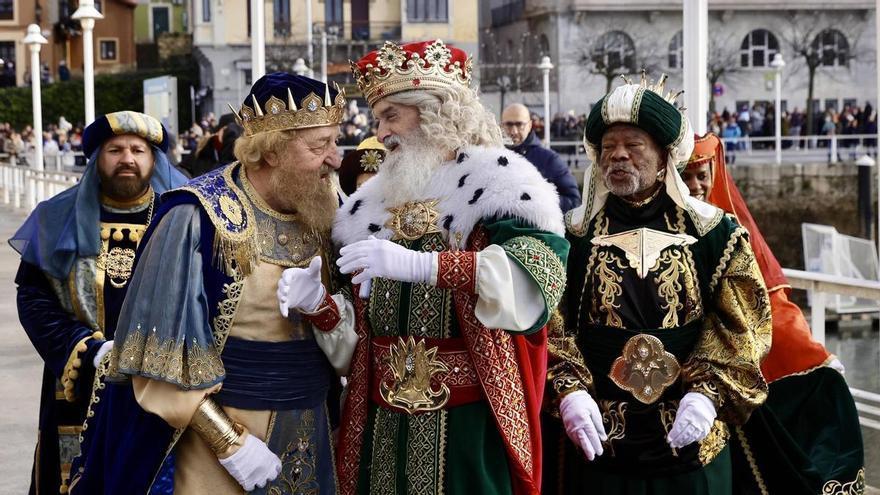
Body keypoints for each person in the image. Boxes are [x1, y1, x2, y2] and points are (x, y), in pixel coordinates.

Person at [278, 39, 568, 495]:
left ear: (436, 110)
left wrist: (428, 267)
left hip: (468, 420)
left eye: (391, 115)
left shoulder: (501, 184)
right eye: (377, 118)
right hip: (382, 423)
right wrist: (320, 306)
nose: (382, 131)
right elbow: (361, 342)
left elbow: (539, 281)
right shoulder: (367, 208)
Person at [67, 72, 354, 494]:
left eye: (334, 141)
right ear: (270, 152)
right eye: (319, 146)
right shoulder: (195, 216)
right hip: (217, 444)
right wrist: (229, 443)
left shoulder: (331, 208)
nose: (335, 158)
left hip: (312, 427)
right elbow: (154, 355)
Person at [544, 74, 772, 494]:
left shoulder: (716, 233)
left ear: (665, 157)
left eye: (634, 145)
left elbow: (744, 325)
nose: (619, 156)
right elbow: (549, 322)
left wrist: (708, 394)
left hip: (689, 439)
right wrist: (569, 391)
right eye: (609, 147)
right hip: (599, 440)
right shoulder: (569, 233)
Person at [10, 111, 186, 495]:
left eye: (139, 150)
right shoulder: (57, 218)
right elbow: (33, 297)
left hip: (163, 386)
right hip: (78, 386)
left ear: (154, 159)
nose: (128, 158)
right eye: (115, 149)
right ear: (96, 158)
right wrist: (87, 349)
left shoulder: (183, 217)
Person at [681, 133, 864, 494]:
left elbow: (769, 302)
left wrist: (811, 354)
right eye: (687, 176)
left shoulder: (731, 229)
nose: (697, 185)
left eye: (703, 175)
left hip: (729, 363)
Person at [501, 103, 581, 212]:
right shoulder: (492, 157)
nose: (514, 131)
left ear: (529, 126)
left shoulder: (549, 159)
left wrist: (539, 199)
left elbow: (574, 203)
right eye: (509, 125)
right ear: (501, 126)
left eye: (520, 125)